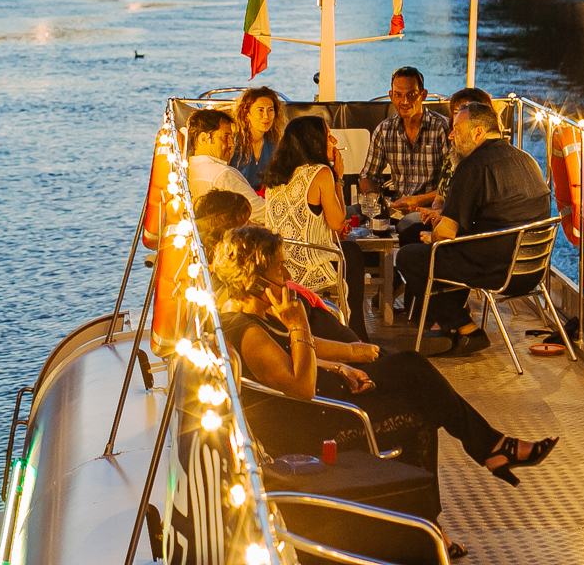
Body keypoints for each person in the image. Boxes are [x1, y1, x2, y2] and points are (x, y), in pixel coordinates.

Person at [213, 226, 558, 555]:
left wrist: (343, 362)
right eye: (279, 267)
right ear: (256, 280)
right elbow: (301, 388)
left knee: (418, 390)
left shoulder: (258, 315)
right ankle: (485, 454)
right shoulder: (247, 332)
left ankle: (439, 508)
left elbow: (296, 352)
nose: (288, 274)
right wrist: (299, 322)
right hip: (316, 428)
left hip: (327, 402)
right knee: (414, 374)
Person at [395, 101, 552, 354]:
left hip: (495, 270)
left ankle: (466, 328)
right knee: (418, 234)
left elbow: (446, 233)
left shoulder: (472, 167)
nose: (450, 135)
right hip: (531, 268)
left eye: (457, 128)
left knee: (409, 256)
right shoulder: (527, 159)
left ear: (478, 132)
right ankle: (445, 322)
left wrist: (432, 237)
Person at [195, 189, 353, 345]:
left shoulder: (226, 280)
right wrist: (350, 354)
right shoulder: (249, 291)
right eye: (246, 224)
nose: (253, 226)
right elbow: (289, 344)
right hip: (323, 348)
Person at [258, 115, 349, 321]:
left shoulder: (275, 177)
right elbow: (337, 223)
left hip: (279, 265)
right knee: (353, 256)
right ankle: (354, 332)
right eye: (328, 136)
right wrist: (339, 178)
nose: (333, 141)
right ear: (314, 141)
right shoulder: (321, 172)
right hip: (310, 268)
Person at [393, 86, 498, 245]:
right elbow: (440, 195)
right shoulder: (455, 151)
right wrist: (436, 210)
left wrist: (442, 218)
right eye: (457, 111)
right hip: (448, 216)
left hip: (466, 229)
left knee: (410, 235)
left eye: (467, 110)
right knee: (409, 227)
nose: (460, 114)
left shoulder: (481, 161)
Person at [361, 67, 450, 210]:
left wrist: (419, 200)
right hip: (397, 209)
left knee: (408, 225)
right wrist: (372, 198)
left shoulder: (442, 128)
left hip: (433, 210)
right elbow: (368, 176)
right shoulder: (384, 130)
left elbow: (455, 182)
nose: (404, 101)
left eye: (411, 94)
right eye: (398, 95)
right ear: (391, 96)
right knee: (350, 214)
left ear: (423, 95)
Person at [183, 108, 264, 217]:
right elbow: (260, 213)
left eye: (232, 138)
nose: (231, 145)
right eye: (225, 137)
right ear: (203, 139)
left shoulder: (187, 168)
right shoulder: (222, 174)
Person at [229, 87, 285, 190]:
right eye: (260, 110)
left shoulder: (274, 144)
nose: (266, 116)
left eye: (270, 110)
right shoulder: (233, 143)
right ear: (246, 114)